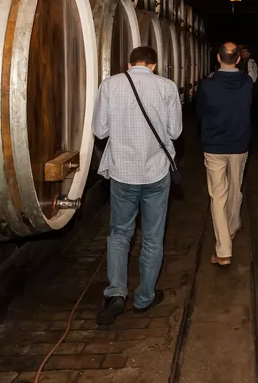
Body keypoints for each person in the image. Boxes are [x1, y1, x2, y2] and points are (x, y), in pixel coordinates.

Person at [92, 46, 183, 326]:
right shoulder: (167, 87)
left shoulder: (110, 85)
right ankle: (144, 297)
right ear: (154, 65)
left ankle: (117, 292)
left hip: (122, 172)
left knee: (119, 234)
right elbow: (175, 132)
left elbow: (99, 130)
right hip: (155, 173)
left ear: (129, 63)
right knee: (153, 238)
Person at [197, 42, 253, 266]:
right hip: (239, 143)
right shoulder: (247, 83)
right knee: (235, 188)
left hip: (214, 145)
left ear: (218, 59)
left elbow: (200, 114)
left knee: (218, 195)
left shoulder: (207, 85)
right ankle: (230, 228)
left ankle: (223, 250)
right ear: (238, 59)